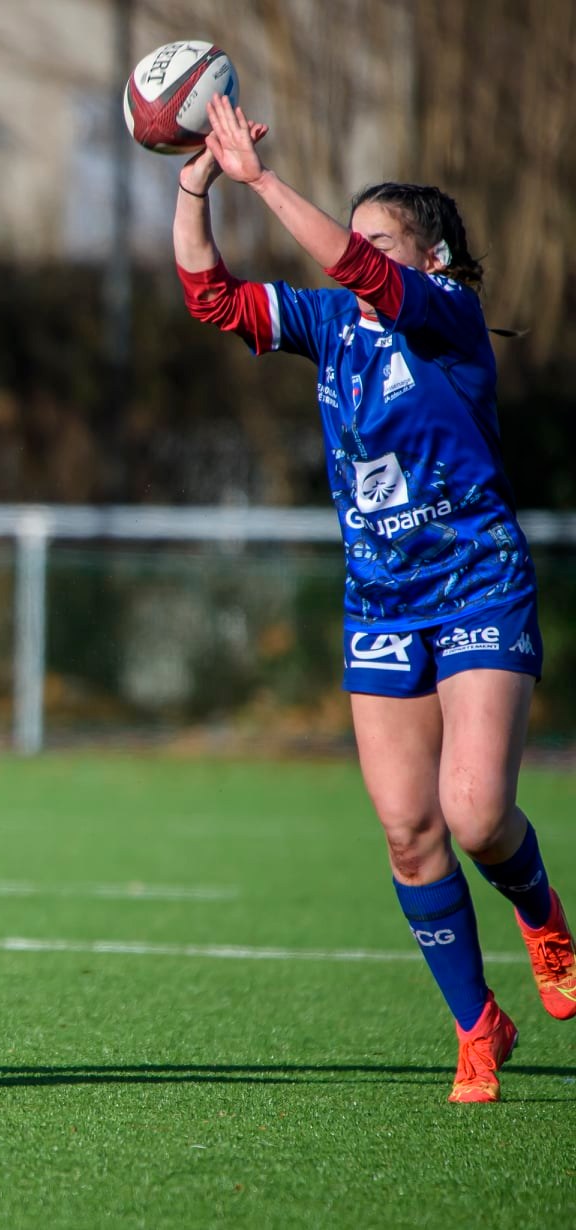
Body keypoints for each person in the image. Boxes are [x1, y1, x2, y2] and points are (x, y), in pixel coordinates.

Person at [174, 97, 574, 1102]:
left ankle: (541, 917)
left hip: (476, 577)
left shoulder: (446, 316)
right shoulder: (329, 329)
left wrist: (265, 180)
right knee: (407, 830)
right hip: (382, 600)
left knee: (475, 814)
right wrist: (195, 184)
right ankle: (477, 1025)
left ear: (431, 260)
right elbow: (210, 298)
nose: (353, 256)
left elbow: (360, 271)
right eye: (355, 240)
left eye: (379, 242)